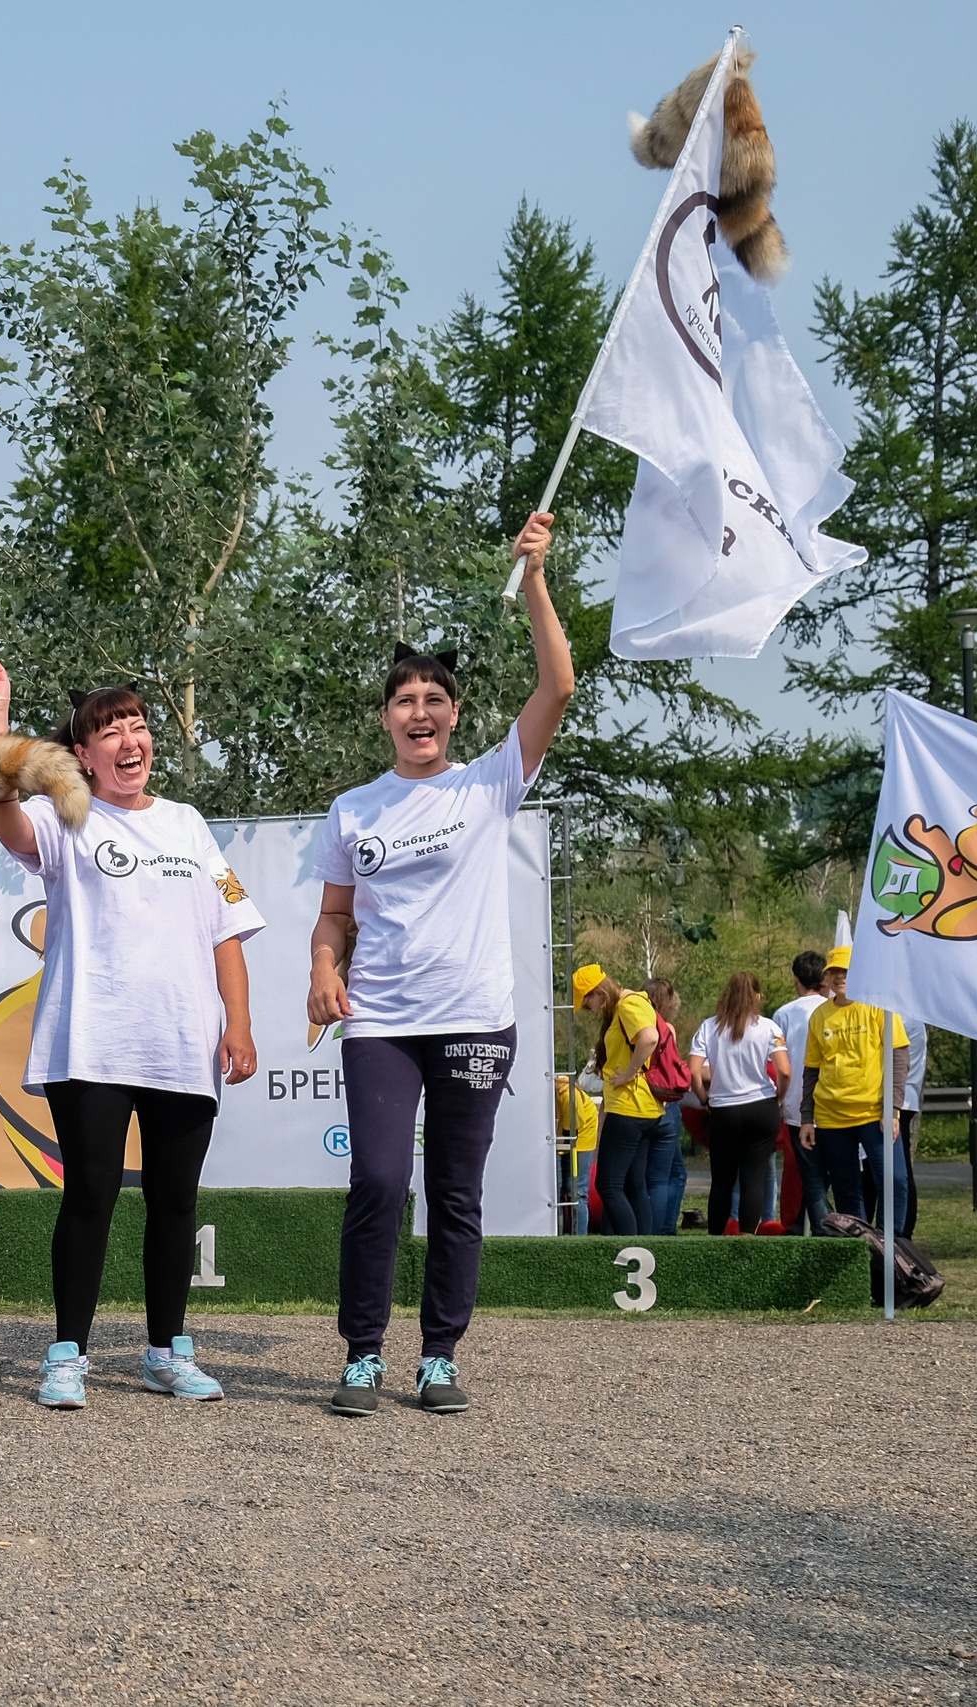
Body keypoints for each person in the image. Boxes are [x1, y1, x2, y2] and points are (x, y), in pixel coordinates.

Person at [309, 511, 573, 1417]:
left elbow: (559, 685)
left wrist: (533, 578)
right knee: (380, 1179)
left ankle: (440, 1356)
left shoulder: (489, 780)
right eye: (403, 700)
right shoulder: (354, 808)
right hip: (381, 1020)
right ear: (385, 717)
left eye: (434, 699)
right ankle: (361, 1354)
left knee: (457, 1190)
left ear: (453, 713)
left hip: (473, 1017)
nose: (418, 712)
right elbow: (335, 915)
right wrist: (321, 967)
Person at [0, 665, 262, 1410]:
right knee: (91, 1193)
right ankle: (67, 1354)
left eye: (137, 726)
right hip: (91, 1042)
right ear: (83, 754)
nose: (130, 741)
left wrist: (240, 1022)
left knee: (175, 1200)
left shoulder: (187, 824)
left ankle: (167, 1351)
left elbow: (226, 931)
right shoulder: (66, 818)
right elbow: (0, 809)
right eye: (110, 732)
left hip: (180, 1043)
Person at [797, 946, 912, 1228]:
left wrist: (893, 1108)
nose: (840, 977)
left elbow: (899, 1057)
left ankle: (892, 1249)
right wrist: (806, 1119)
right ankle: (860, 1251)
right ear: (826, 978)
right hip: (832, 1118)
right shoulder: (820, 1016)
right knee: (847, 1191)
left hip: (875, 1114)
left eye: (846, 971)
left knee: (894, 1181)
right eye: (834, 971)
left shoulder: (879, 1008)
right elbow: (811, 1070)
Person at [689, 972, 791, 1236]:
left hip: (724, 1109)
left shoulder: (709, 1027)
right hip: (761, 1106)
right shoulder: (770, 1027)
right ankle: (747, 1237)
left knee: (722, 1179)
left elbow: (693, 1071)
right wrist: (779, 1096)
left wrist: (703, 1098)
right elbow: (785, 1070)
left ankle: (715, 1238)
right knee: (753, 1176)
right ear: (756, 996)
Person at [575, 963, 669, 1239]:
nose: (588, 1010)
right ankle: (644, 1248)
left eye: (586, 1003)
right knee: (633, 1183)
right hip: (640, 1108)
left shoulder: (628, 1005)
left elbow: (649, 1038)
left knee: (608, 1185)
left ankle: (630, 1248)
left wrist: (628, 1073)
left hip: (630, 1107)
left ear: (597, 993)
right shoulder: (625, 1006)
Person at [773, 950, 829, 1233]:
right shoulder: (833, 1008)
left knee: (804, 1174)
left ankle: (804, 1224)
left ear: (796, 979)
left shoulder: (783, 1014)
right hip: (832, 1102)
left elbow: (776, 1059)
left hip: (796, 1103)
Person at [642, 978, 695, 1234]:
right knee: (672, 1174)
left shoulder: (635, 1026)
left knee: (648, 1172)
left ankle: (648, 1226)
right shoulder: (666, 1028)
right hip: (665, 1102)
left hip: (640, 1101)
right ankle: (663, 1229)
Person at [895, 1021, 928, 1237]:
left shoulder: (905, 1020)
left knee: (900, 1170)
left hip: (899, 1102)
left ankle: (903, 1233)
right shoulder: (910, 1018)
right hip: (901, 1100)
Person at [556, 1073, 599, 1235]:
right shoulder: (555, 1093)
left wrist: (559, 1147)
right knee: (558, 1190)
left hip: (581, 1137)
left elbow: (571, 1129)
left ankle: (579, 1237)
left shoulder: (567, 1095)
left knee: (577, 1190)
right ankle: (559, 1233)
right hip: (564, 1135)